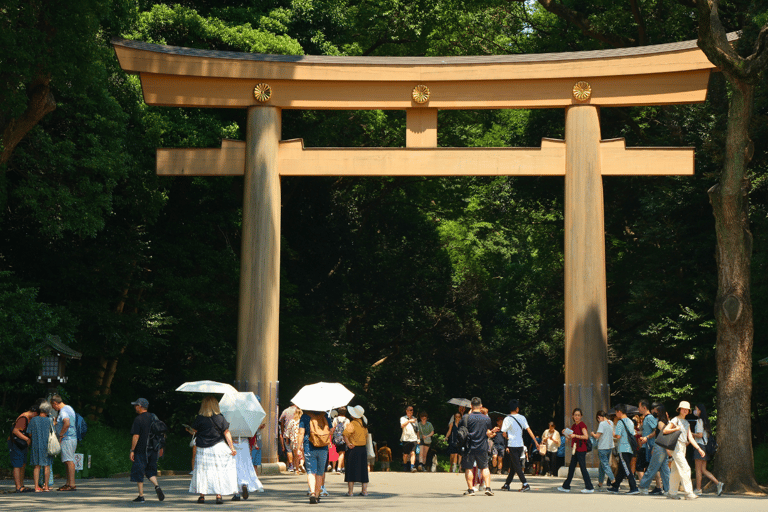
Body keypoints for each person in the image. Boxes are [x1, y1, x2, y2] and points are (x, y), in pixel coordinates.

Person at [189, 395, 238, 504]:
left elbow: (194, 431)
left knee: (203, 471)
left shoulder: (199, 418)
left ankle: (202, 496)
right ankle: (218, 495)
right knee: (218, 471)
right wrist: (232, 448)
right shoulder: (220, 417)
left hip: (203, 449)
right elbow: (226, 432)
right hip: (218, 447)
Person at [664, 400, 706, 500]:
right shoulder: (675, 419)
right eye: (683, 409)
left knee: (675, 471)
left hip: (683, 447)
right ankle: (688, 493)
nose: (685, 410)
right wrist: (676, 429)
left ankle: (671, 493)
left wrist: (699, 448)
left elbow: (690, 438)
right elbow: (665, 430)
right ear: (679, 409)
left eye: (687, 409)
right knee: (685, 468)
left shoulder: (686, 422)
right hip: (676, 446)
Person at [128, 398, 165, 502]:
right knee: (151, 471)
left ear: (140, 406)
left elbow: (136, 436)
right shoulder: (154, 417)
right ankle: (157, 486)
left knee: (139, 471)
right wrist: (161, 447)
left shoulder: (138, 419)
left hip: (141, 449)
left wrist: (132, 450)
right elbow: (160, 433)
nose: (135, 407)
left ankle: (141, 496)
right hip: (153, 449)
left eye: (136, 405)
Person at [500, 400, 539, 492]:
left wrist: (507, 437)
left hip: (512, 444)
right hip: (520, 444)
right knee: (513, 465)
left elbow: (504, 433)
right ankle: (507, 484)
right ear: (517, 408)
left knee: (516, 465)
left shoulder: (507, 419)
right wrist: (536, 442)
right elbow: (529, 430)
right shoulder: (522, 418)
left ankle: (525, 483)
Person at [461, 397, 495, 496]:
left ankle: (471, 489)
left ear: (471, 406)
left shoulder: (466, 417)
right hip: (482, 446)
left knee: (469, 468)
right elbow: (488, 432)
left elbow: (461, 430)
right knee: (484, 467)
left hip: (469, 447)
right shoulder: (486, 418)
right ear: (481, 406)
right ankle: (488, 488)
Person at [557, 408, 594, 493]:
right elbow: (571, 436)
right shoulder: (574, 426)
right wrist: (566, 434)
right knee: (571, 468)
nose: (577, 417)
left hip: (581, 449)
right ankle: (566, 486)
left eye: (578, 415)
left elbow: (586, 436)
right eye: (575, 415)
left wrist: (576, 436)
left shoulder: (582, 425)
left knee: (583, 468)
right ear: (573, 416)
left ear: (581, 416)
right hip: (575, 449)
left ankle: (589, 487)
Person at [298, 408, 331, 504]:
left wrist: (299, 446)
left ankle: (312, 492)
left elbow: (301, 432)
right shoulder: (326, 416)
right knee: (320, 472)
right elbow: (331, 430)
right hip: (323, 446)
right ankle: (317, 495)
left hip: (309, 445)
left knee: (310, 471)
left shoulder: (305, 416)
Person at [638, 404, 670, 495]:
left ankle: (643, 486)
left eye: (656, 411)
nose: (654, 413)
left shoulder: (661, 422)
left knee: (655, 467)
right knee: (664, 469)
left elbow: (663, 432)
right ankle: (668, 489)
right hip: (663, 446)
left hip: (660, 446)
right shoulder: (665, 422)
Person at [692, 403, 723, 496]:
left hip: (699, 446)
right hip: (705, 446)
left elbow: (699, 435)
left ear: (700, 411)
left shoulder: (699, 421)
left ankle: (698, 489)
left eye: (696, 409)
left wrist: (690, 433)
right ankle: (718, 483)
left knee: (698, 470)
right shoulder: (705, 422)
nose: (695, 411)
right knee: (703, 470)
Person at [607, 403, 639, 494]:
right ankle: (615, 486)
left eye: (616, 412)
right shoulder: (630, 421)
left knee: (626, 468)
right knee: (622, 468)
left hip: (623, 448)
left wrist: (613, 433)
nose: (616, 414)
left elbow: (618, 436)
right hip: (630, 448)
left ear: (619, 412)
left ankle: (633, 487)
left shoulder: (621, 422)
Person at [50, 394, 77, 491]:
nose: (53, 408)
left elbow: (67, 422)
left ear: (55, 403)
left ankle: (72, 484)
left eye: (53, 405)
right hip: (71, 437)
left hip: (67, 438)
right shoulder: (69, 408)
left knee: (69, 460)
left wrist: (60, 435)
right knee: (67, 460)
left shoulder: (64, 410)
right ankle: (68, 483)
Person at [343, 405, 369, 495]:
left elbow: (345, 434)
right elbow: (366, 435)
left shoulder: (353, 423)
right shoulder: (364, 423)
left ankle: (350, 492)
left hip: (353, 449)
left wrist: (348, 443)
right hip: (363, 449)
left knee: (351, 470)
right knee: (363, 470)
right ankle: (364, 491)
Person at [27, 401, 53, 492]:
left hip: (36, 445)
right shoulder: (49, 420)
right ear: (48, 411)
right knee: (47, 466)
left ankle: (36, 487)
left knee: (37, 466)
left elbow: (29, 433)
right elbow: (53, 433)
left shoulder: (34, 420)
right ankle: (46, 486)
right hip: (47, 445)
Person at [590, 410, 616, 490]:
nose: (598, 420)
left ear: (599, 417)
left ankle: (613, 481)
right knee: (601, 467)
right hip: (609, 447)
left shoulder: (602, 424)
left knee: (605, 465)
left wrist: (592, 434)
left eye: (598, 419)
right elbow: (613, 434)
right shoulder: (610, 422)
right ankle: (600, 484)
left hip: (602, 447)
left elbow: (597, 436)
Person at [279, 404, 298, 472]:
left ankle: (291, 466)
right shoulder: (298, 411)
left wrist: (283, 431)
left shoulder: (285, 411)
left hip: (288, 434)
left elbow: (281, 421)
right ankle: (297, 466)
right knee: (296, 450)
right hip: (297, 433)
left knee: (289, 450)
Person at [400, 406, 418, 472]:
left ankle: (412, 467)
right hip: (406, 438)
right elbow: (402, 425)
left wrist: (418, 438)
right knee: (405, 454)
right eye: (409, 410)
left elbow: (417, 430)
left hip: (414, 438)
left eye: (412, 410)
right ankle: (405, 465)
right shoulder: (403, 418)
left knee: (413, 453)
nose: (410, 412)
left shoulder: (415, 419)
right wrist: (409, 421)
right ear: (406, 411)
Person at [332, 407, 350, 473]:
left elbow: (333, 428)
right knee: (342, 453)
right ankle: (339, 468)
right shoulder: (347, 420)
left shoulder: (335, 419)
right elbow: (348, 431)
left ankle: (343, 468)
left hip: (336, 438)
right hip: (343, 438)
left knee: (339, 452)